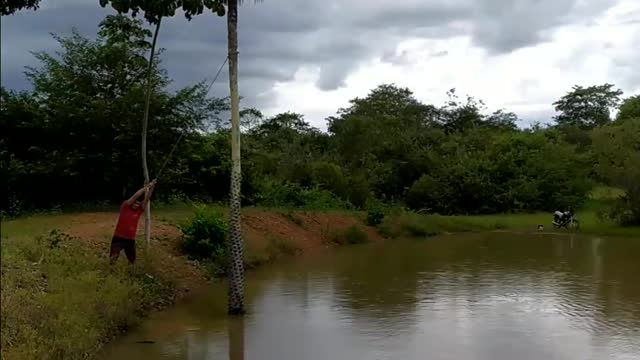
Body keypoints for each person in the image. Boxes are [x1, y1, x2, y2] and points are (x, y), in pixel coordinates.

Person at [110, 179, 156, 265]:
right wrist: (146, 187)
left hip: (130, 240)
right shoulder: (125, 207)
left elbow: (147, 199)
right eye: (134, 203)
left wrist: (152, 187)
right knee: (113, 258)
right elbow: (135, 195)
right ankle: (110, 274)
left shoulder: (139, 211)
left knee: (132, 261)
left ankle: (130, 274)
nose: (136, 205)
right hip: (118, 238)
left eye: (138, 204)